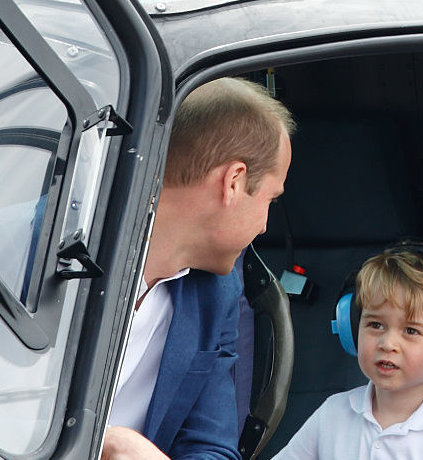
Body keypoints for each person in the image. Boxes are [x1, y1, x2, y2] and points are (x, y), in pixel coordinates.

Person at [101, 77, 295, 460]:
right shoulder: (34, 249)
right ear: (234, 182)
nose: (264, 226)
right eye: (270, 199)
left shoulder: (218, 292)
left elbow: (210, 446)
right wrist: (106, 442)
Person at [274, 243, 423, 460]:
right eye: (376, 325)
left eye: (411, 330)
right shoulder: (333, 413)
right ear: (352, 328)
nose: (388, 343)